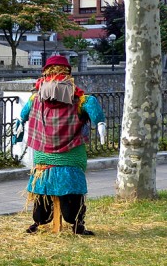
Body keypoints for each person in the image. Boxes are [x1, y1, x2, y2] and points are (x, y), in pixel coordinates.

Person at [17, 54, 106, 235]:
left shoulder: (40, 99)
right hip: (60, 157)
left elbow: (22, 115)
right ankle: (57, 223)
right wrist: (100, 124)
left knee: (56, 192)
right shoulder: (78, 100)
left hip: (56, 157)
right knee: (56, 193)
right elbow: (23, 114)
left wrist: (100, 123)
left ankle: (58, 223)